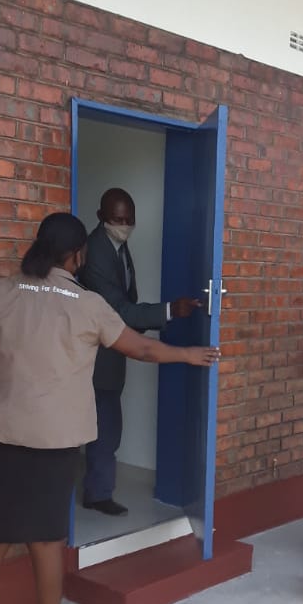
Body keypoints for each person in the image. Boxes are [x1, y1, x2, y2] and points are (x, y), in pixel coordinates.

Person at [0, 213, 220, 604]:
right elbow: (140, 348)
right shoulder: (88, 304)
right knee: (46, 541)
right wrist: (187, 355)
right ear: (77, 256)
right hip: (55, 443)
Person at [79, 187, 201, 516]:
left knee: (105, 427)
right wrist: (168, 311)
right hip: (94, 358)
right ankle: (96, 494)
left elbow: (127, 304)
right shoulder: (95, 252)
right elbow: (117, 309)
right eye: (118, 219)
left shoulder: (118, 246)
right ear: (101, 217)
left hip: (111, 355)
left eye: (129, 220)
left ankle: (97, 490)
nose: (125, 225)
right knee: (103, 427)